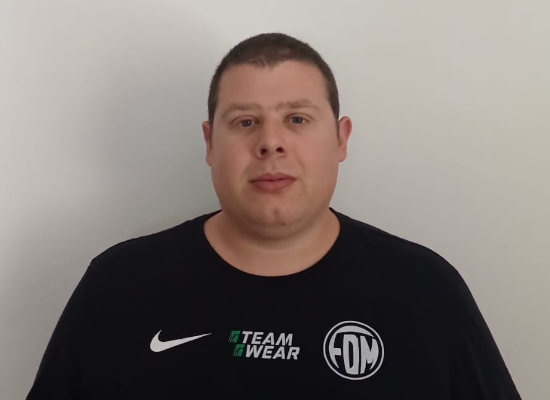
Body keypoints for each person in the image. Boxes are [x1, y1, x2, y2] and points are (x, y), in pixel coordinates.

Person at [27, 32, 522, 399]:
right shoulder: (117, 286)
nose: (270, 142)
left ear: (341, 138)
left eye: (297, 119)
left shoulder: (426, 291)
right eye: (245, 121)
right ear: (209, 143)